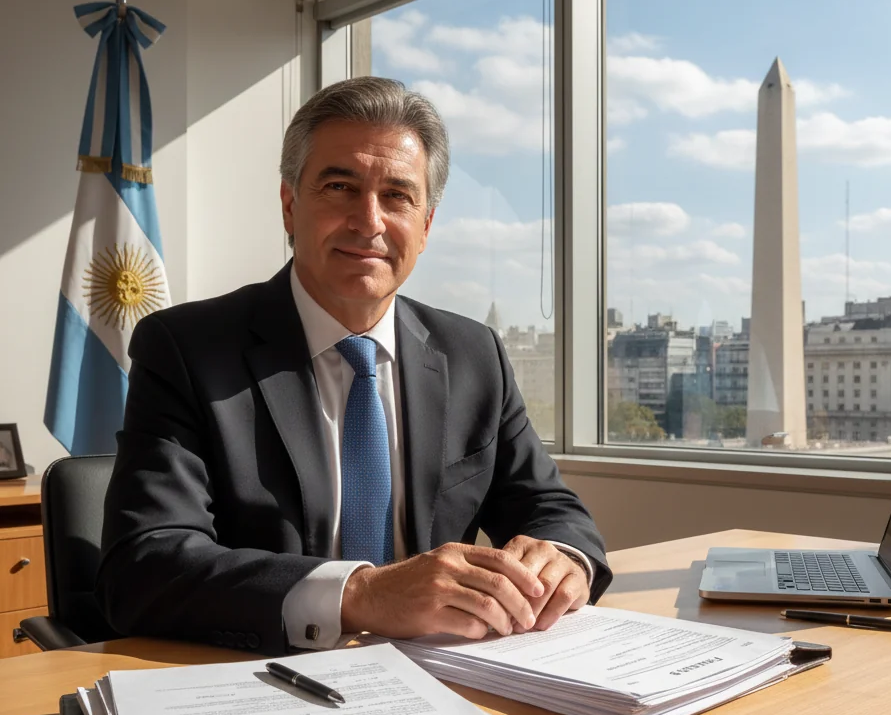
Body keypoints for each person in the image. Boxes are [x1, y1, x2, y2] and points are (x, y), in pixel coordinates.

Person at [96, 77, 610, 656]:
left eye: (397, 195)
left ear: (427, 226)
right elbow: (145, 565)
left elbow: (550, 508)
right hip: (264, 676)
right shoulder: (186, 349)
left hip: (445, 676)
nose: (369, 221)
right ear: (290, 206)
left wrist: (561, 558)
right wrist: (363, 594)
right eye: (339, 186)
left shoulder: (474, 354)